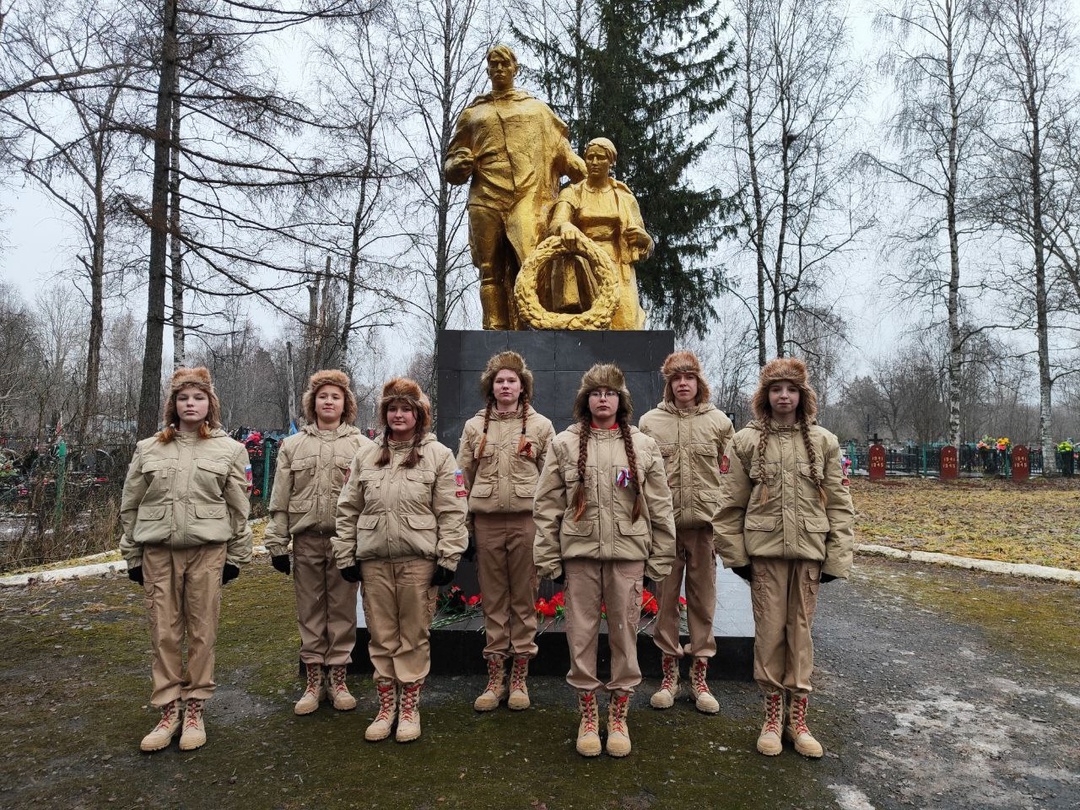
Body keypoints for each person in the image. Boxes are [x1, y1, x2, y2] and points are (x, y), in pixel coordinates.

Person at [712, 357, 854, 758]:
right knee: (770, 635)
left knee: (800, 635)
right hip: (766, 557)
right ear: (766, 396)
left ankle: (799, 719)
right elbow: (729, 506)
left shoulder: (824, 441)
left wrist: (835, 559)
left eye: (791, 389)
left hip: (809, 554)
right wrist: (737, 557)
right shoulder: (746, 441)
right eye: (776, 389)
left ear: (802, 395)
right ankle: (772, 718)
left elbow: (840, 504)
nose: (784, 396)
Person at [533, 363, 676, 758]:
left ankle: (618, 715)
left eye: (609, 393)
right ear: (585, 399)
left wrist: (660, 555)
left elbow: (660, 506)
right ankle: (587, 713)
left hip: (628, 556)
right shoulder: (564, 444)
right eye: (595, 393)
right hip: (580, 557)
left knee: (625, 636)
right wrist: (548, 556)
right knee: (579, 636)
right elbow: (546, 506)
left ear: (621, 400)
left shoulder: (642, 445)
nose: (602, 399)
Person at [119, 367, 252, 753]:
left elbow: (238, 508)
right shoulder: (149, 449)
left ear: (210, 404)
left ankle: (195, 708)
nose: (190, 404)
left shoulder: (229, 449)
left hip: (207, 553)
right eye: (182, 398)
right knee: (163, 631)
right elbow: (130, 506)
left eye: (197, 398)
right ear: (172, 405)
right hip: (158, 552)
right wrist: (132, 555)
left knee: (202, 630)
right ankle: (167, 709)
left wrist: (236, 557)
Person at [332, 378, 468, 743]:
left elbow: (453, 510)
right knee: (381, 635)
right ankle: (386, 705)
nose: (398, 415)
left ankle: (409, 707)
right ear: (385, 414)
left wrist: (448, 556)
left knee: (413, 635)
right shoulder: (366, 455)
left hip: (417, 562)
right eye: (392, 409)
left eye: (406, 408)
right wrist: (345, 553)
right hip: (375, 561)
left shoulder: (438, 455)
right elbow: (347, 509)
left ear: (418, 413)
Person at [445, 44, 586, 330]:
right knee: (489, 269)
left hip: (527, 195)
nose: (499, 69)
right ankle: (494, 329)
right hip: (485, 196)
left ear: (514, 68)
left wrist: (576, 164)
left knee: (530, 263)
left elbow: (560, 147)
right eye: (493, 64)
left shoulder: (536, 110)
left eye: (504, 64)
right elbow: (452, 160)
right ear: (487, 70)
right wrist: (456, 166)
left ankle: (528, 325)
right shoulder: (474, 114)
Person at [264, 370, 373, 715]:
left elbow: (370, 500)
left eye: (335, 396)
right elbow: (280, 500)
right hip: (307, 540)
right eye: (323, 396)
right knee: (310, 609)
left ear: (346, 404)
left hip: (344, 543)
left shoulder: (362, 446)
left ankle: (338, 679)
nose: (329, 401)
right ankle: (314, 681)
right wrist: (278, 544)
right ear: (313, 403)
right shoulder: (293, 446)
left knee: (341, 611)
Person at [456, 351, 555, 712]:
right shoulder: (473, 427)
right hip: (487, 524)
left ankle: (520, 679)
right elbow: (460, 479)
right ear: (490, 386)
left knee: (524, 599)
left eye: (512, 380)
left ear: (522, 385)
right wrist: (463, 526)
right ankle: (495, 676)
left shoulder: (541, 427)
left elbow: (552, 480)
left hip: (527, 523)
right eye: (499, 380)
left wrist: (550, 527)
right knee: (494, 599)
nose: (505, 386)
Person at [638, 351, 734, 713]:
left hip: (704, 530)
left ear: (698, 382)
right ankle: (669, 678)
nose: (682, 384)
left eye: (689, 378)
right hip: (665, 530)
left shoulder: (719, 422)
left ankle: (700, 678)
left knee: (703, 604)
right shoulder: (650, 423)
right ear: (669, 383)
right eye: (676, 378)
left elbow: (734, 474)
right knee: (664, 606)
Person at [548, 137, 653, 329]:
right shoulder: (573, 192)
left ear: (611, 162)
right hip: (583, 262)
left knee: (627, 325)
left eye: (601, 158)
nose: (594, 162)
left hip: (618, 266)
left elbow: (644, 244)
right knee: (589, 327)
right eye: (590, 157)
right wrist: (566, 227)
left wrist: (645, 241)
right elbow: (556, 223)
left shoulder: (624, 197)